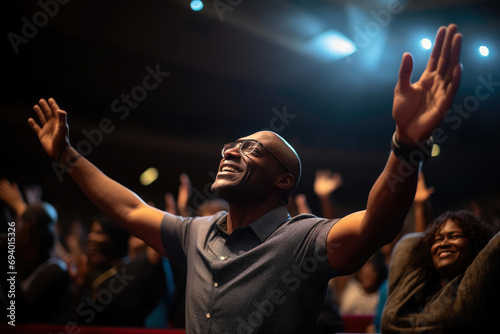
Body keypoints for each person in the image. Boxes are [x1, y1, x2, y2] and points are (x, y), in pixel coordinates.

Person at [27, 24, 462, 333]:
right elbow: (127, 207)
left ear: (283, 180)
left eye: (252, 148)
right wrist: (66, 155)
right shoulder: (197, 233)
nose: (231, 151)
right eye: (231, 146)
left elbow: (376, 224)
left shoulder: (303, 240)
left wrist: (406, 145)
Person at [381, 210, 499, 333]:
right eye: (437, 239)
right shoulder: (423, 290)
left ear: (475, 244)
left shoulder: (480, 288)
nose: (443, 243)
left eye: (454, 236)